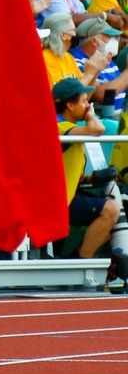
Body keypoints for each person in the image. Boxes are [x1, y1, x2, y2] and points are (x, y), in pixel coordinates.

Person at [54, 77, 120, 257]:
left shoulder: (68, 126)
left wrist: (92, 180)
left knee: (118, 216)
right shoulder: (59, 126)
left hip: (66, 196)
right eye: (84, 101)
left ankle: (74, 259)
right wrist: (91, 115)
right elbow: (97, 129)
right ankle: (81, 262)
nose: (88, 104)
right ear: (69, 105)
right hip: (56, 203)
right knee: (111, 210)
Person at [41, 12, 105, 86]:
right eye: (73, 30)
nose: (75, 34)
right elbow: (63, 96)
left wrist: (95, 72)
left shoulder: (68, 57)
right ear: (63, 35)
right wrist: (88, 75)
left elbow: (85, 94)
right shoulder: (46, 59)